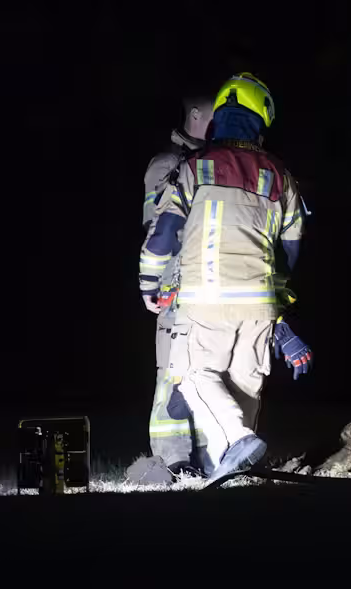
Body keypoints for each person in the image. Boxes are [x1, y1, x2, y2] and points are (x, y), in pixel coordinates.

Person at [139, 73, 314, 480]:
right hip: (258, 305)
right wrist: (279, 315)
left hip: (204, 300)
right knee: (245, 384)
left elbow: (163, 233)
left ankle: (234, 441)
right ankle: (232, 470)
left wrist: (149, 283)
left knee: (190, 375)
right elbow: (289, 253)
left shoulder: (195, 166)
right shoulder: (281, 176)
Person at [139, 93, 212, 475]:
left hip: (210, 286)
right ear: (197, 113)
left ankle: (206, 455)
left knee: (207, 370)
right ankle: (173, 458)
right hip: (178, 287)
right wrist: (159, 282)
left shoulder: (216, 160)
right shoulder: (167, 164)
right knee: (172, 370)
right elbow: (158, 228)